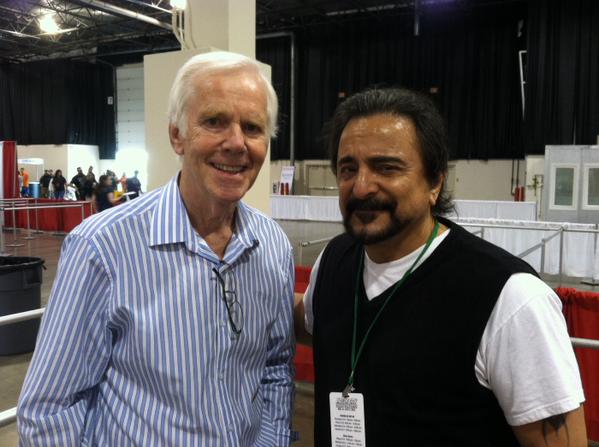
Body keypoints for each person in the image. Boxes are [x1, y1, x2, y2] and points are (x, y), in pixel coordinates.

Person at [18, 51, 296, 446]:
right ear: (177, 136)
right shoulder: (102, 248)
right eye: (214, 122)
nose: (236, 143)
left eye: (252, 127)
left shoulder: (273, 247)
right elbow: (50, 410)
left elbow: (275, 367)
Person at [295, 87, 586, 446]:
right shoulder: (335, 260)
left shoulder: (510, 298)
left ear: (435, 182)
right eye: (348, 169)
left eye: (386, 168)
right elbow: (309, 321)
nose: (361, 186)